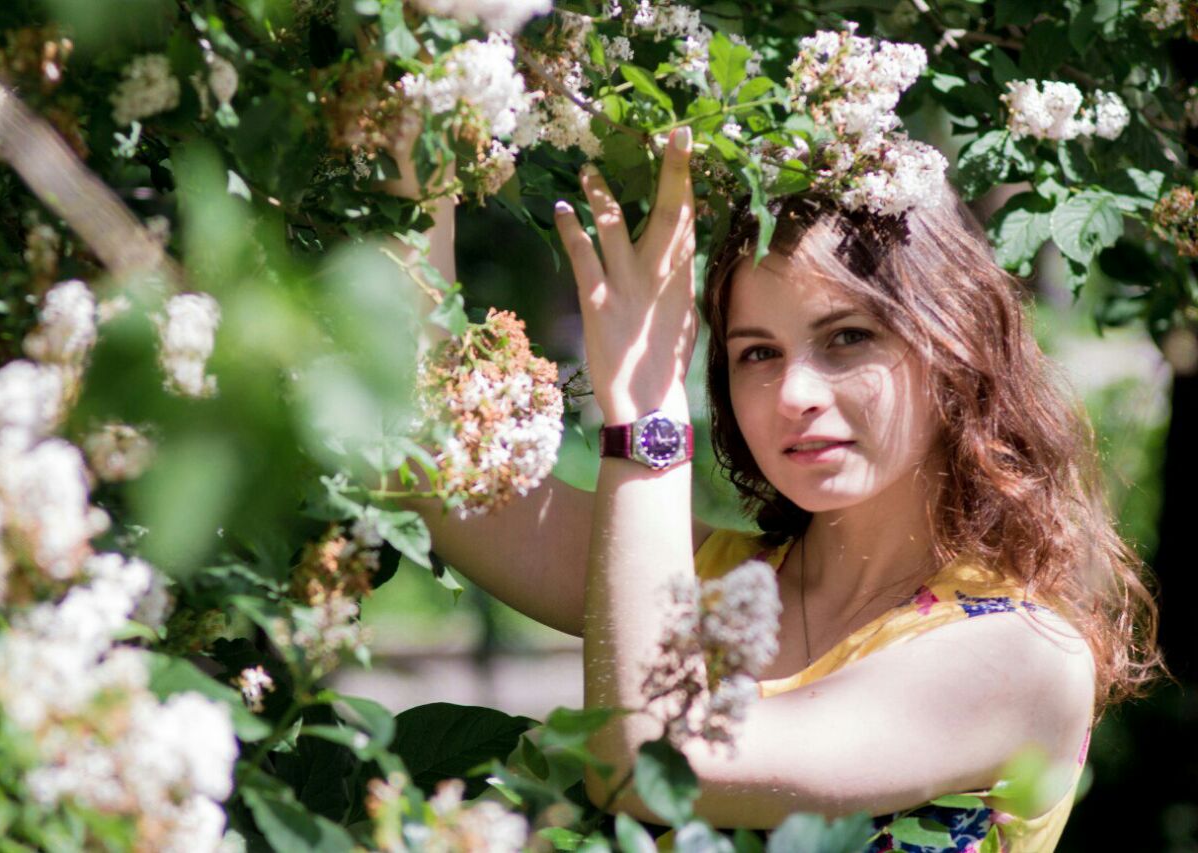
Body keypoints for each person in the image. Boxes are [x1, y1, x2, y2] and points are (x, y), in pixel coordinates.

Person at [382, 125, 1164, 851]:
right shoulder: (713, 586)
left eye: (847, 337)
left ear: (956, 345)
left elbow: (650, 762)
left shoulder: (1020, 655)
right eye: (757, 352)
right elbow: (432, 477)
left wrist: (647, 422)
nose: (795, 393)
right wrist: (425, 141)